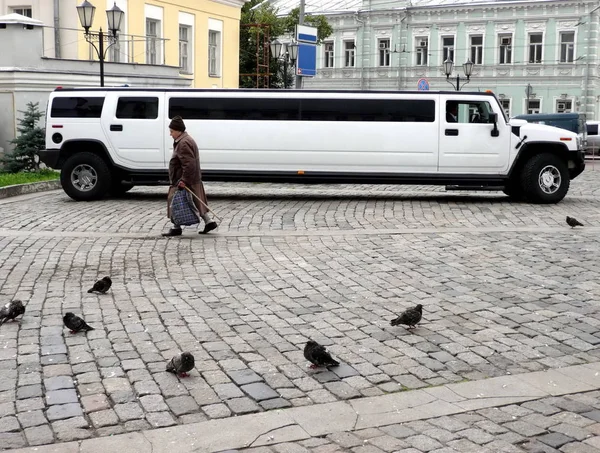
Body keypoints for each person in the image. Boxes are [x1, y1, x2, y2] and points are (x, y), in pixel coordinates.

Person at [162, 116, 218, 237]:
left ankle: (176, 227)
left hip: (183, 179)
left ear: (178, 130)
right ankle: (209, 221)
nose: (170, 134)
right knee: (195, 200)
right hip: (192, 178)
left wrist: (183, 180)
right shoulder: (186, 139)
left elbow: (189, 164)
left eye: (171, 131)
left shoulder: (183, 143)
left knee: (175, 201)